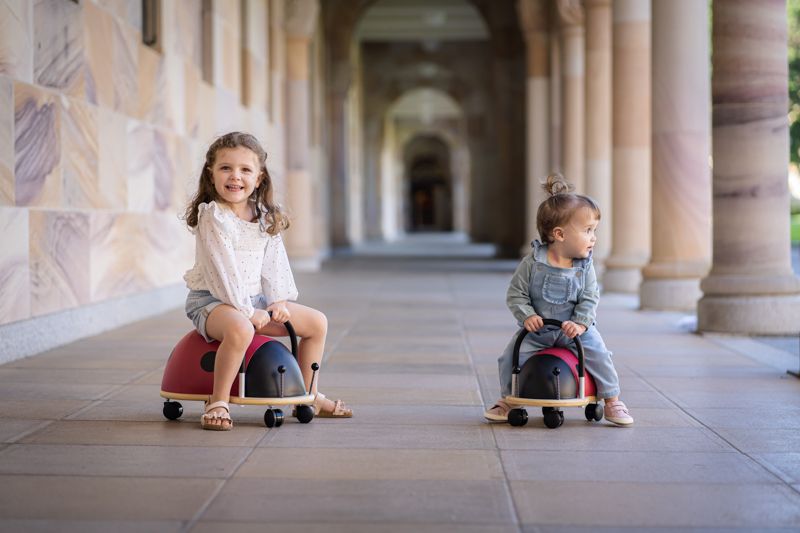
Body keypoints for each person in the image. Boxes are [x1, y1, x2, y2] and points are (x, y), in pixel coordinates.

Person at [183, 131, 352, 430]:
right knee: (239, 328)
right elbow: (223, 272)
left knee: (317, 323)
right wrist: (247, 312)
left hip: (254, 301)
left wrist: (277, 300)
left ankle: (307, 394)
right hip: (213, 301)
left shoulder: (263, 216)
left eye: (245, 170)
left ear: (259, 178)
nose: (235, 176)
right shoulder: (213, 216)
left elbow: (274, 264)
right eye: (226, 168)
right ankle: (219, 400)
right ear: (211, 175)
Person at [484, 173, 633, 426]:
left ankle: (612, 400)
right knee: (509, 356)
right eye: (588, 231)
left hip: (574, 331)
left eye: (594, 230)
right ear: (560, 234)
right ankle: (509, 399)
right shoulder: (532, 263)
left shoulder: (585, 266)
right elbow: (516, 293)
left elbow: (589, 297)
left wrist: (581, 323)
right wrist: (527, 315)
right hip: (538, 332)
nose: (594, 238)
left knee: (600, 354)